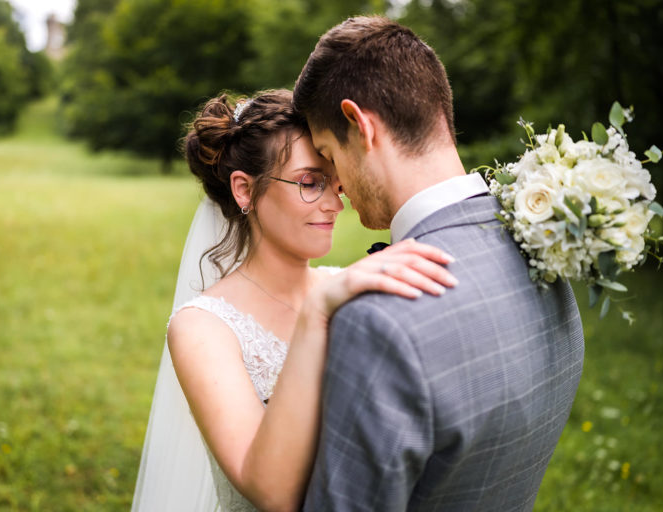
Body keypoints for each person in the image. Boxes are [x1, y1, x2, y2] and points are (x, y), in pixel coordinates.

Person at [292, 16, 585, 511]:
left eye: (328, 152)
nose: (336, 183)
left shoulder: (379, 323)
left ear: (360, 126)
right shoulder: (542, 249)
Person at [130, 89, 458, 512]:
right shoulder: (201, 328)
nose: (333, 203)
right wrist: (317, 314)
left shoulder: (348, 283)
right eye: (309, 183)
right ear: (245, 190)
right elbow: (270, 491)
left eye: (335, 180)